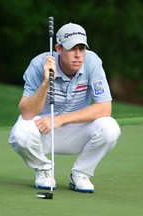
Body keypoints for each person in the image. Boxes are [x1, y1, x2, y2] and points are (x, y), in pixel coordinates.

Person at [8, 23, 121, 193]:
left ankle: (80, 174)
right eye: (71, 49)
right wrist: (46, 82)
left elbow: (105, 108)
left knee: (110, 127)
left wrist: (60, 120)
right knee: (20, 134)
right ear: (58, 49)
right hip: (42, 131)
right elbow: (26, 112)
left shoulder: (92, 62)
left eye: (81, 48)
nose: (78, 55)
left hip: (76, 130)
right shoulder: (39, 64)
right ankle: (43, 169)